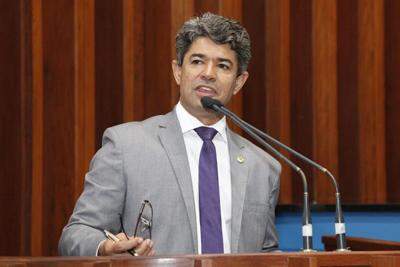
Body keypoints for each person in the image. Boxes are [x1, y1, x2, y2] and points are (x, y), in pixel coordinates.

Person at [58, 12, 281, 256]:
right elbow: (76, 234)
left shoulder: (262, 167)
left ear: (239, 82)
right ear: (177, 71)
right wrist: (107, 247)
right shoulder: (126, 146)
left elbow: (266, 252)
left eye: (223, 65)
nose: (208, 73)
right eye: (197, 61)